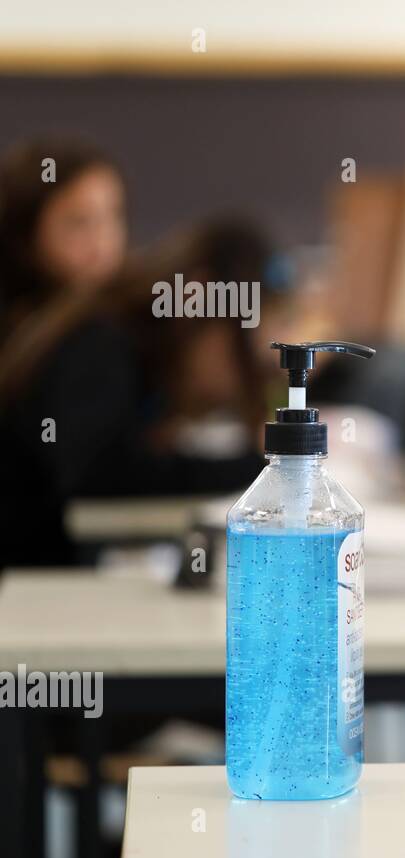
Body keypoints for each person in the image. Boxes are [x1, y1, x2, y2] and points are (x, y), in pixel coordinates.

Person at [0, 217, 286, 569]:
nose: (233, 385)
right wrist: (258, 465)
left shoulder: (119, 343)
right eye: (238, 359)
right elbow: (102, 475)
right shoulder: (103, 347)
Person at [0, 137, 127, 342]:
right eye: (78, 222)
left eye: (113, 215)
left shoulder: (128, 323)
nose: (102, 241)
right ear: (25, 232)